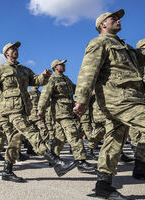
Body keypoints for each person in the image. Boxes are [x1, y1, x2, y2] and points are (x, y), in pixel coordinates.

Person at [73, 9, 145, 200]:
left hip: (131, 97)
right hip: (119, 99)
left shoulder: (126, 47)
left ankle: (103, 186)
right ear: (102, 24)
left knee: (114, 139)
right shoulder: (99, 43)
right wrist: (81, 100)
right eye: (113, 18)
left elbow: (142, 59)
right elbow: (88, 72)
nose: (118, 19)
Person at [0, 42, 79, 182]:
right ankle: (55, 161)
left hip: (24, 109)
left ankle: (7, 171)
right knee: (31, 132)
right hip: (11, 109)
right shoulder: (0, 69)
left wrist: (44, 76)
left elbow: (35, 80)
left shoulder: (24, 69)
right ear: (6, 53)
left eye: (17, 48)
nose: (16, 50)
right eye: (13, 49)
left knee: (16, 138)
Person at [38, 59, 95, 172]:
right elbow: (45, 96)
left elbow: (76, 89)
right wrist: (40, 110)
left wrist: (90, 90)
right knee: (74, 134)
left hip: (68, 111)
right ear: (55, 67)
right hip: (61, 112)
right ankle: (81, 161)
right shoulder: (52, 80)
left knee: (60, 138)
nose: (64, 66)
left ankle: (53, 159)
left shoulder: (66, 79)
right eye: (61, 64)